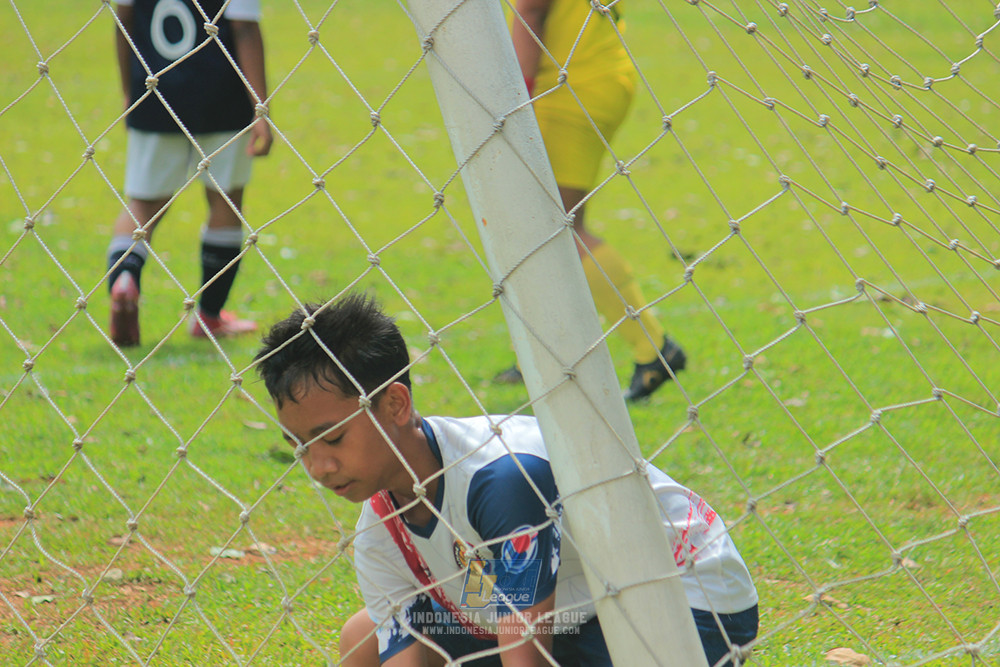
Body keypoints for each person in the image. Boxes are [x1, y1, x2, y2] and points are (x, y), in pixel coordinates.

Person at [255, 293, 759, 666]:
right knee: (362, 640)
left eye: (334, 439)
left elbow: (525, 650)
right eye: (301, 446)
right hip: (576, 606)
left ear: (395, 404)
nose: (318, 467)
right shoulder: (380, 525)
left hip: (687, 596)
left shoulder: (501, 479)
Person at [497, 0, 685, 401]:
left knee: (557, 227)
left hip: (565, 85)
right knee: (543, 228)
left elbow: (531, 8)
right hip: (598, 72)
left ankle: (652, 347)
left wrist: (513, 99)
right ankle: (538, 354)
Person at [107, 0, 272, 347]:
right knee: (225, 198)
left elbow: (124, 19)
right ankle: (210, 316)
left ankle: (124, 278)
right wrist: (260, 107)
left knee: (142, 204)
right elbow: (243, 27)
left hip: (154, 92)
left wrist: (128, 89)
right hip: (222, 98)